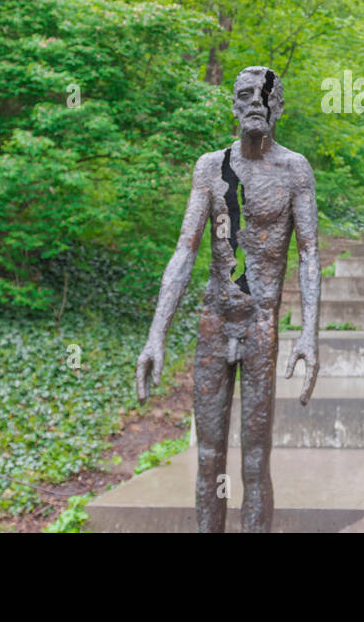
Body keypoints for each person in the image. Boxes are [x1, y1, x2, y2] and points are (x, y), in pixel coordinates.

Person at [135, 66, 320, 532]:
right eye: (245, 95)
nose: (255, 102)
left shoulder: (295, 170)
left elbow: (310, 255)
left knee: (255, 461)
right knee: (209, 457)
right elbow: (185, 250)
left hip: (261, 325)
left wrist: (310, 334)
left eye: (265, 94)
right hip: (214, 322)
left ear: (278, 105)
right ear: (233, 105)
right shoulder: (209, 168)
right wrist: (156, 334)